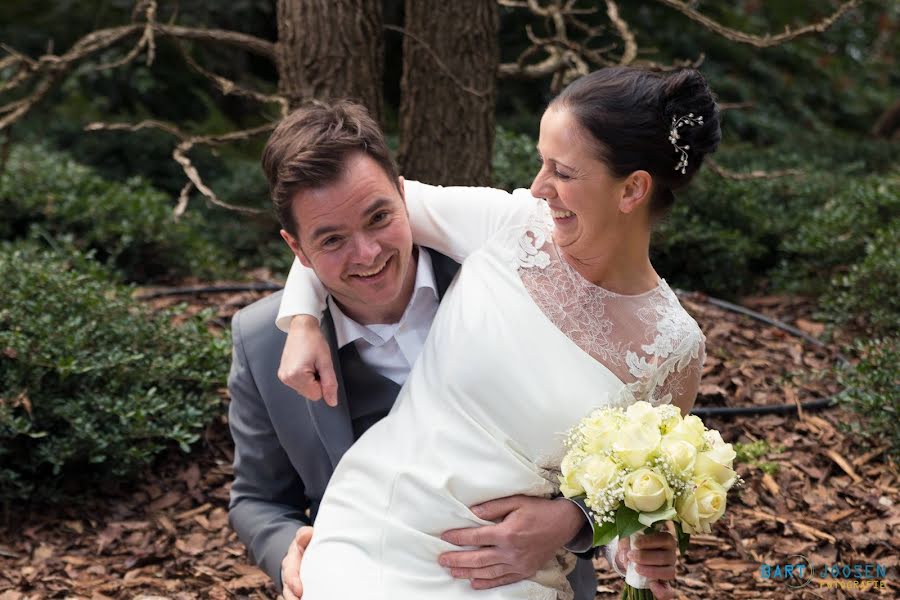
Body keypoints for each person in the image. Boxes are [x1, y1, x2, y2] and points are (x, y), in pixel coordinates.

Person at [275, 66, 720, 599]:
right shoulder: (508, 225)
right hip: (374, 525)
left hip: (508, 572)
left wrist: (620, 539)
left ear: (632, 189)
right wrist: (301, 318)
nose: (538, 187)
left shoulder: (671, 347)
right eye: (540, 163)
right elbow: (340, 214)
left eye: (562, 171)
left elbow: (619, 500)